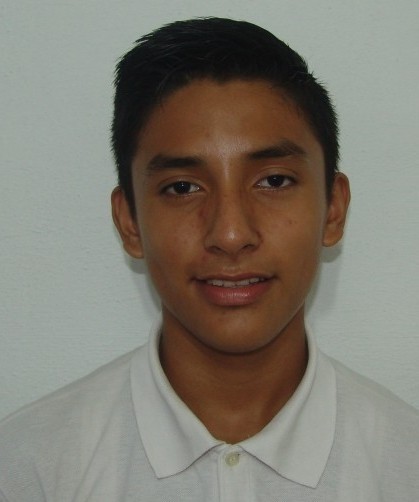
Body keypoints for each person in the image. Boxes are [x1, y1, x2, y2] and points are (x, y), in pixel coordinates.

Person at [0, 17, 418, 501]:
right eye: (182, 187)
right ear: (130, 221)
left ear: (333, 209)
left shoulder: (404, 466)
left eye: (274, 181)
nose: (231, 234)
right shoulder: (31, 468)